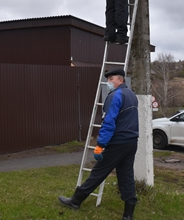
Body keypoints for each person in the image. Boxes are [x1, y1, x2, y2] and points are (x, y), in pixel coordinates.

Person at [58, 68, 139, 220]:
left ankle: (75, 201)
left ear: (120, 80)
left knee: (98, 172)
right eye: (108, 79)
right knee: (126, 175)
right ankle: (128, 213)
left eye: (111, 79)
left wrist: (101, 144)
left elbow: (109, 122)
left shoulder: (115, 95)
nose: (108, 82)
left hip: (117, 142)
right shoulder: (132, 95)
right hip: (131, 142)